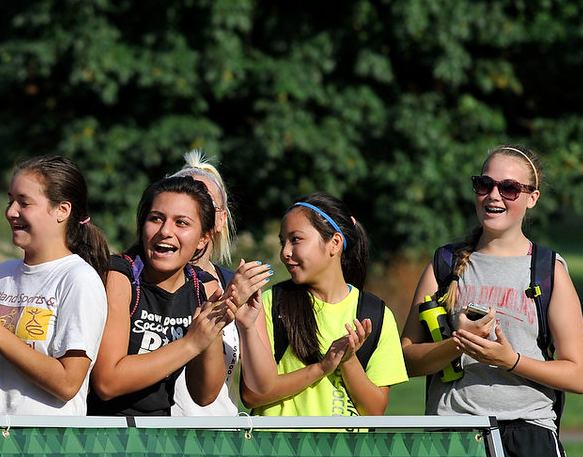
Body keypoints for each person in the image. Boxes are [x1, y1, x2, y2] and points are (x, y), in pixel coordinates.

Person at [400, 145, 583, 457]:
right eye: (485, 184)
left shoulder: (547, 270)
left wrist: (509, 361)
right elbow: (406, 357)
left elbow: (578, 373)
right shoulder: (445, 263)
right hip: (452, 439)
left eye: (510, 188)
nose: (495, 196)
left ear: (532, 198)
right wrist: (454, 345)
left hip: (524, 436)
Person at [0, 155, 109, 415]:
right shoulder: (3, 272)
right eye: (10, 200)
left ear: (62, 210)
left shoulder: (79, 279)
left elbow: (68, 383)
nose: (11, 212)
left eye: (24, 203)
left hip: (42, 445)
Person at [242, 192, 407, 417]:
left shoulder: (375, 315)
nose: (284, 253)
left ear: (334, 243)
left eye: (296, 239)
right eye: (283, 242)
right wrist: (320, 369)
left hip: (344, 453)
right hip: (276, 451)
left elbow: (374, 410)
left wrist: (348, 360)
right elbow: (251, 395)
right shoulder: (270, 304)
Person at [87, 175, 239, 415]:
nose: (165, 231)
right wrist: (191, 343)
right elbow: (107, 382)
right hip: (103, 435)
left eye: (181, 223)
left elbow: (205, 395)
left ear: (204, 238)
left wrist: (210, 332)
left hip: (159, 437)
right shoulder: (119, 276)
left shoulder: (205, 288)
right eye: (156, 218)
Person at [168, 151, 274, 416]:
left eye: (206, 206)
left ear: (221, 219)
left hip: (219, 438)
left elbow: (261, 388)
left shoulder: (235, 284)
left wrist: (247, 325)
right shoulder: (143, 280)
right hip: (158, 436)